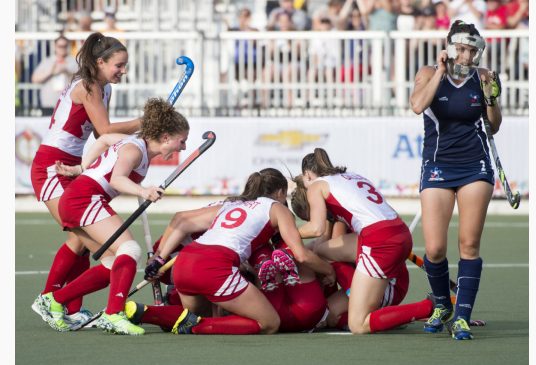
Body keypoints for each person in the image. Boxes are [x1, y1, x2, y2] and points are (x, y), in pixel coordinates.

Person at [31, 97, 190, 336]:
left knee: (111, 263)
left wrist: (82, 169)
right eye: (182, 141)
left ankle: (54, 300)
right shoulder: (134, 149)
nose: (183, 147)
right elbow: (117, 179)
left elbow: (104, 139)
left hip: (80, 197)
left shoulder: (136, 144)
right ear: (166, 137)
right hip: (83, 198)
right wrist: (143, 190)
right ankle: (113, 313)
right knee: (130, 250)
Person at [29, 32, 142, 330]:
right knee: (80, 237)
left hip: (70, 165)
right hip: (51, 165)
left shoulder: (103, 89)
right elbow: (105, 128)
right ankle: (48, 297)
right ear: (100, 62)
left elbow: (100, 137)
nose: (123, 71)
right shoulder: (89, 86)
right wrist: (145, 121)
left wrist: (142, 133)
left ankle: (68, 307)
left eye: (125, 65)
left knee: (80, 239)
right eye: (118, 65)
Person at [144, 168, 336, 335]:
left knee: (196, 315)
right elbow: (301, 254)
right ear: (280, 192)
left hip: (185, 262)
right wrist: (328, 270)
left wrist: (159, 258)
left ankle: (141, 312)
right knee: (270, 323)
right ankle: (194, 327)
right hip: (214, 266)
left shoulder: (231, 204)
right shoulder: (277, 208)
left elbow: (181, 219)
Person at [409, 20, 502, 340]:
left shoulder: (484, 76)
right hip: (437, 165)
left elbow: (494, 125)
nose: (466, 56)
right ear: (448, 46)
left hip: (474, 166)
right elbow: (417, 105)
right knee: (434, 248)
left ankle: (462, 315)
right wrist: (440, 71)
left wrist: (491, 98)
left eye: (472, 51)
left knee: (469, 244)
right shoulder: (427, 73)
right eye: (461, 49)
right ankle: (441, 305)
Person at [297, 148, 434, 335]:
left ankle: (428, 307)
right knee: (321, 251)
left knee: (358, 325)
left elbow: (316, 228)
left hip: (379, 243)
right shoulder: (350, 177)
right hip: (398, 231)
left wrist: (287, 233)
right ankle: (364, 301)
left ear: (307, 175)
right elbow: (321, 243)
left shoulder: (315, 186)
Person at [31, 35, 79, 115]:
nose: (62, 48)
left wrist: (67, 71)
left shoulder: (74, 61)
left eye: (65, 46)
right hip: (49, 105)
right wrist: (51, 72)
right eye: (60, 46)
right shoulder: (47, 61)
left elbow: (82, 79)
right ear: (55, 46)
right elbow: (34, 79)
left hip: (68, 105)